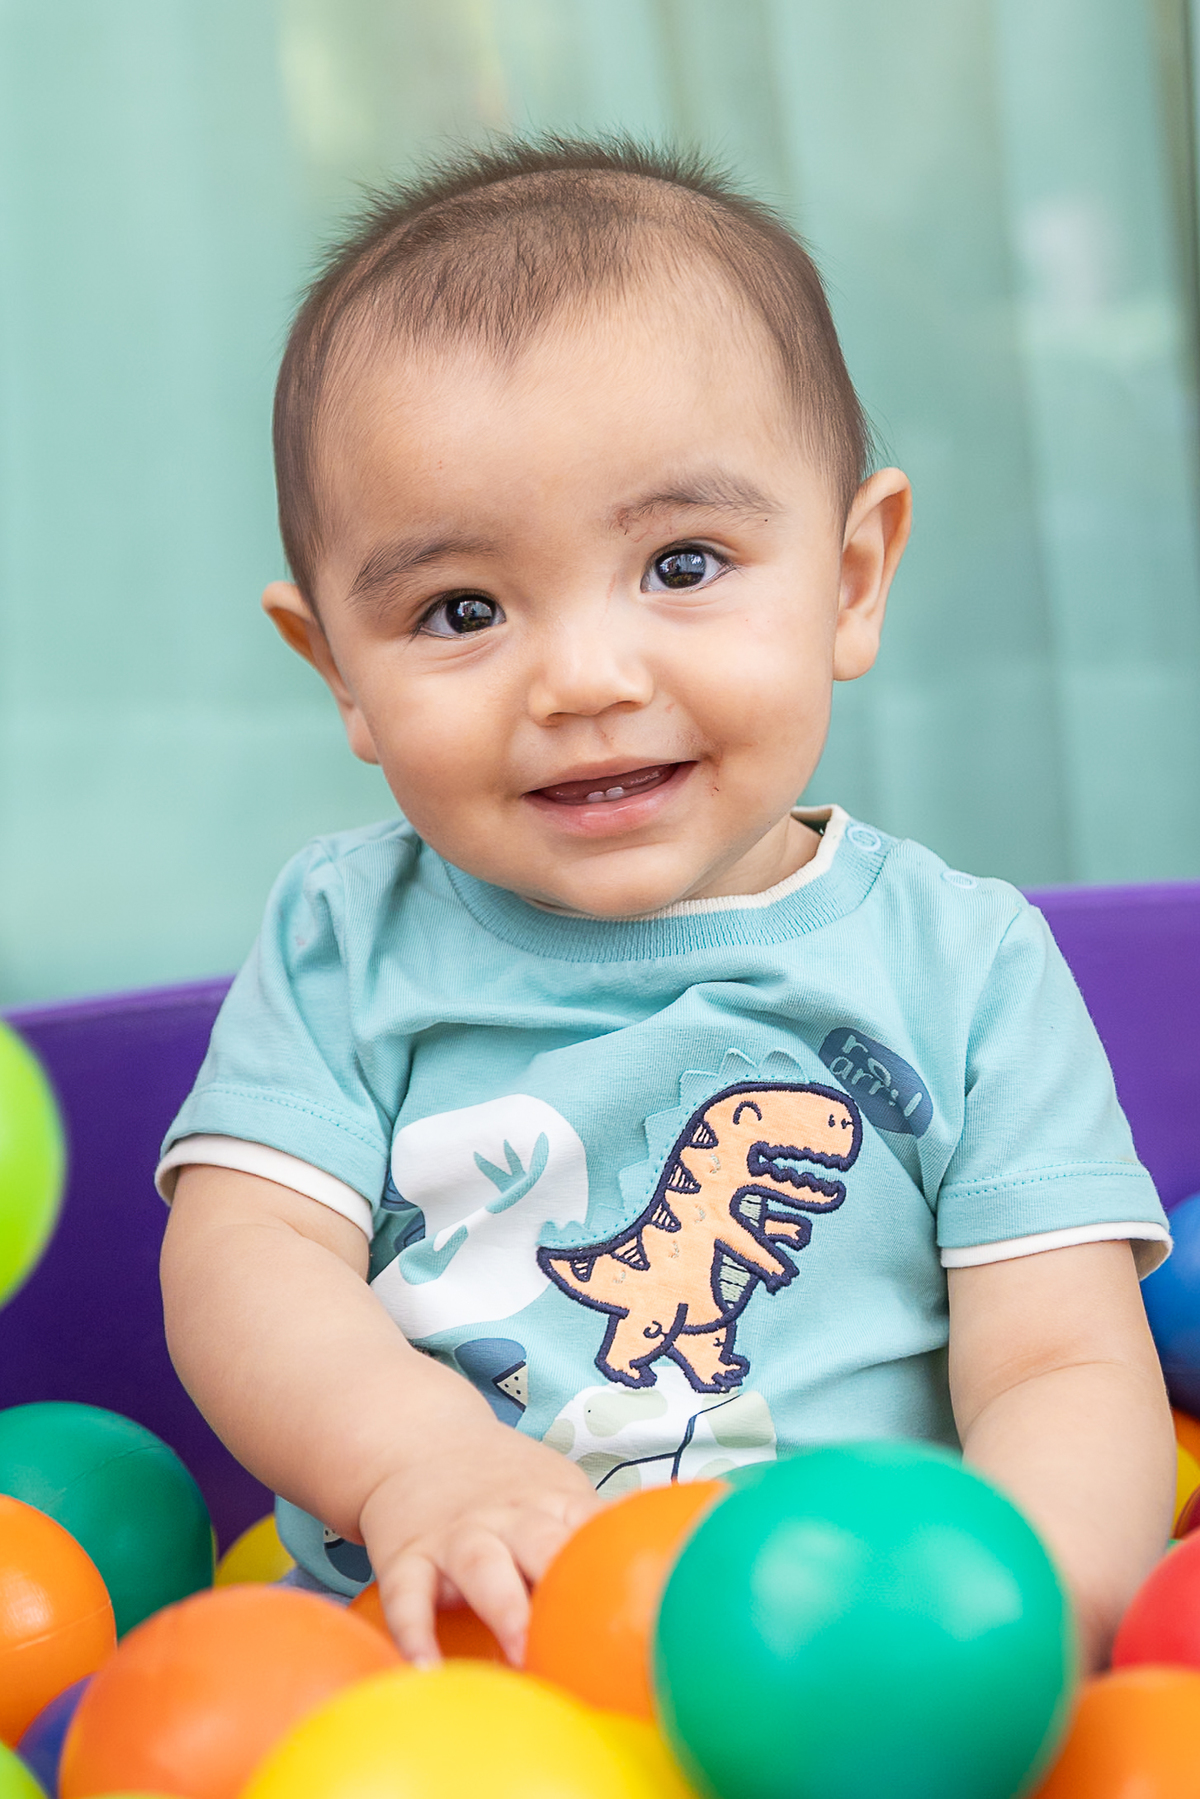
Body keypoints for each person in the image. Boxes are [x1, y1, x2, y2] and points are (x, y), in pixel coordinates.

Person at [157, 138, 1175, 1674]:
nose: (584, 679)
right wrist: (418, 1461)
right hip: (454, 1680)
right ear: (340, 675)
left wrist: (1027, 1629)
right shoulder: (343, 941)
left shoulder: (962, 962)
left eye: (682, 564)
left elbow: (1061, 1368)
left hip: (850, 1673)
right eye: (460, 610)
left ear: (851, 579)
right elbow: (248, 1263)